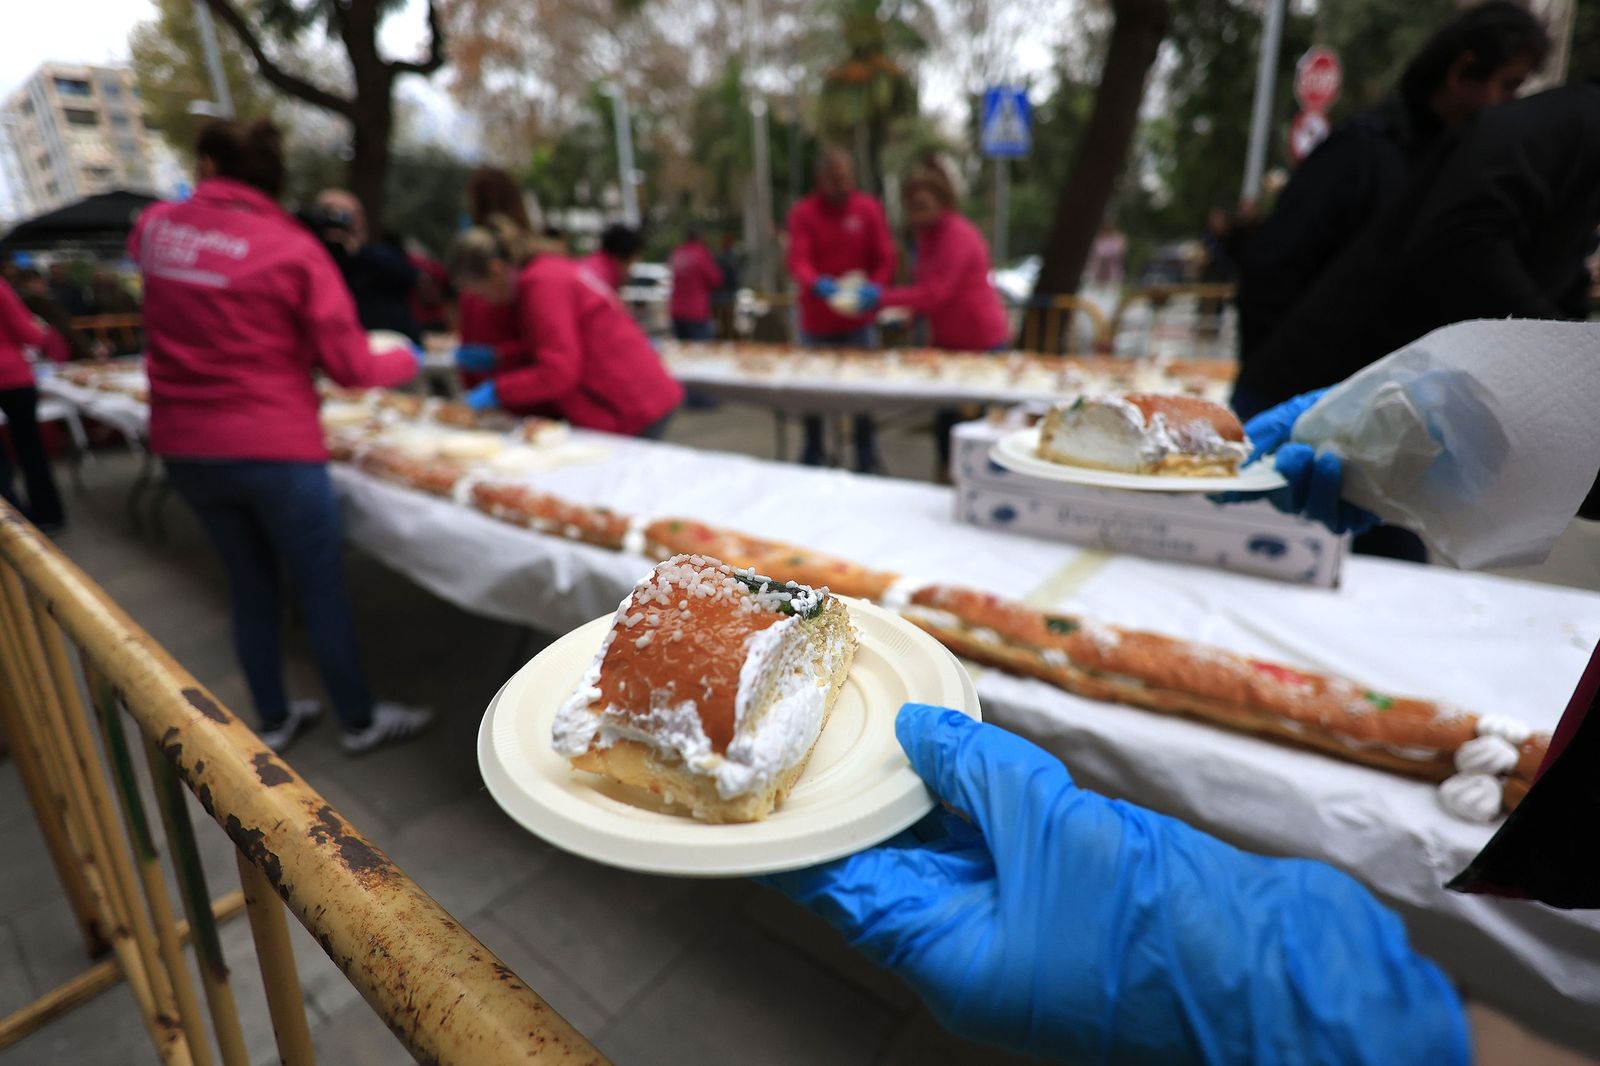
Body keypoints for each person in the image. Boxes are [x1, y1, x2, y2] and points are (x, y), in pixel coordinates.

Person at [129, 119, 433, 755]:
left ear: (208, 164)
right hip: (275, 446)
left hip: (185, 443)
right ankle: (359, 720)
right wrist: (408, 356)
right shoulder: (294, 251)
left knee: (249, 583)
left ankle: (272, 715)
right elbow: (352, 368)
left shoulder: (155, 229)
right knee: (319, 584)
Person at [1234, 1, 1550, 374]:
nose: (1510, 105)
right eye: (1507, 85)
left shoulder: (1461, 166)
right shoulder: (1365, 151)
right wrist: (1277, 377)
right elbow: (1274, 266)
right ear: (1462, 71)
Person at [447, 220, 683, 438]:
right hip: (630, 396)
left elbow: (559, 370)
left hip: (628, 402)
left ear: (496, 270)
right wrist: (499, 358)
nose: (485, 301)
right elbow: (553, 344)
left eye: (479, 291)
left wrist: (498, 390)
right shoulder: (545, 272)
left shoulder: (541, 283)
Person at [850, 161, 1009, 469]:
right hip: (948, 344)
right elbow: (926, 291)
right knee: (946, 426)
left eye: (922, 206)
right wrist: (909, 314)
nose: (915, 216)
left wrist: (880, 297)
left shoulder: (958, 235)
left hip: (980, 343)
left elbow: (937, 291)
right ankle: (946, 479)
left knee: (978, 433)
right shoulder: (926, 238)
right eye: (911, 208)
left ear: (943, 202)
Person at [786, 148, 897, 470]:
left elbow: (885, 258)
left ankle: (865, 453)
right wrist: (817, 283)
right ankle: (814, 450)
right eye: (834, 179)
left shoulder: (868, 209)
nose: (841, 185)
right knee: (813, 393)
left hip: (859, 322)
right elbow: (798, 260)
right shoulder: (803, 213)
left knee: (863, 392)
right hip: (816, 323)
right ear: (819, 179)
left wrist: (876, 287)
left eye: (846, 178)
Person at [453, 167, 533, 389]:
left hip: (516, 386)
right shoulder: (528, 257)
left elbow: (544, 346)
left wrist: (497, 360)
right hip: (516, 386)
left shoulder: (525, 269)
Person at [309, 188, 422, 343]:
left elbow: (409, 276)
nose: (336, 221)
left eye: (344, 215)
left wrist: (355, 250)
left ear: (360, 220)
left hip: (385, 343)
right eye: (327, 214)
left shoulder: (379, 257)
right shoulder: (310, 260)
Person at [0, 277, 66, 532]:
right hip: (13, 377)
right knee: (31, 449)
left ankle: (13, 530)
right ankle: (48, 514)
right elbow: (29, 333)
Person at [667, 226, 724, 341]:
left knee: (682, 353)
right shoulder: (700, 254)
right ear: (700, 239)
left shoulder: (677, 253)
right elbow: (716, 280)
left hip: (676, 310)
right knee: (701, 355)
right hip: (696, 311)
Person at [581, 223, 643, 295]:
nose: (630, 273)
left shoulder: (589, 264)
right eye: (631, 263)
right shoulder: (602, 283)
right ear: (621, 258)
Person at [712, 232, 741, 338]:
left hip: (721, 296)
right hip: (725, 296)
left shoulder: (719, 258)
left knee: (722, 325)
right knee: (725, 324)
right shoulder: (728, 258)